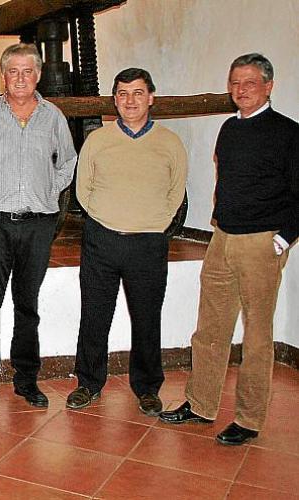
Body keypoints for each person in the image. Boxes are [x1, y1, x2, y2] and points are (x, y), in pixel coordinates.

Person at [160, 53, 298, 445]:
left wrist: (283, 238)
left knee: (256, 336)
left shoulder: (288, 133)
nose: (240, 89)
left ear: (268, 86)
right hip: (222, 239)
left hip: (261, 243)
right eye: (235, 82)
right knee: (210, 329)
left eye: (250, 82)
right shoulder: (229, 129)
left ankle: (249, 419)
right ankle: (200, 404)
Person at [66, 68, 187, 416]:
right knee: (94, 314)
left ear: (151, 97)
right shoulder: (98, 141)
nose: (130, 100)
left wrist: (153, 224)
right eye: (122, 93)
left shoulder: (170, 143)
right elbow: (82, 190)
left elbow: (175, 191)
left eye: (137, 93)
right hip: (102, 240)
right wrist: (106, 219)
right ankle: (88, 382)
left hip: (148, 244)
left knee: (147, 318)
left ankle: (147, 388)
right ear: (114, 100)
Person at [0, 43, 77, 409]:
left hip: (37, 225)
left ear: (38, 75)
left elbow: (68, 161)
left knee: (27, 306)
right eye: (13, 71)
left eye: (27, 71)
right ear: (3, 76)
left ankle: (26, 380)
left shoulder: (53, 117)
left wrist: (48, 190)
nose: (20, 78)